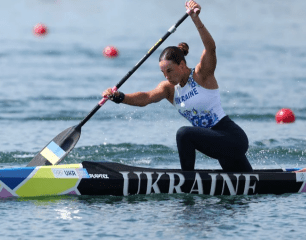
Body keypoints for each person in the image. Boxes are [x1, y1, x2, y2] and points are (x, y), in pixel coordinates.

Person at [102, 0, 253, 172]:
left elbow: (210, 48)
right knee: (246, 189)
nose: (167, 76)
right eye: (163, 73)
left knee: (184, 134)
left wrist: (196, 19)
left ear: (182, 65)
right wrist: (119, 97)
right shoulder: (169, 89)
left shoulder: (201, 75)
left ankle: (186, 180)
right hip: (217, 145)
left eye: (170, 70)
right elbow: (146, 98)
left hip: (232, 138)